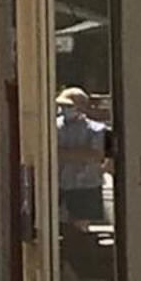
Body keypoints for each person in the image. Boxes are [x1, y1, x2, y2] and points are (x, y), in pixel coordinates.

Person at [56, 87, 110, 222]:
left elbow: (95, 154)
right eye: (61, 105)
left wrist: (63, 153)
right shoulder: (53, 127)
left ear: (80, 108)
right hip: (59, 185)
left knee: (82, 227)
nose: (63, 109)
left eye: (68, 106)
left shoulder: (96, 129)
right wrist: (78, 153)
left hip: (86, 186)